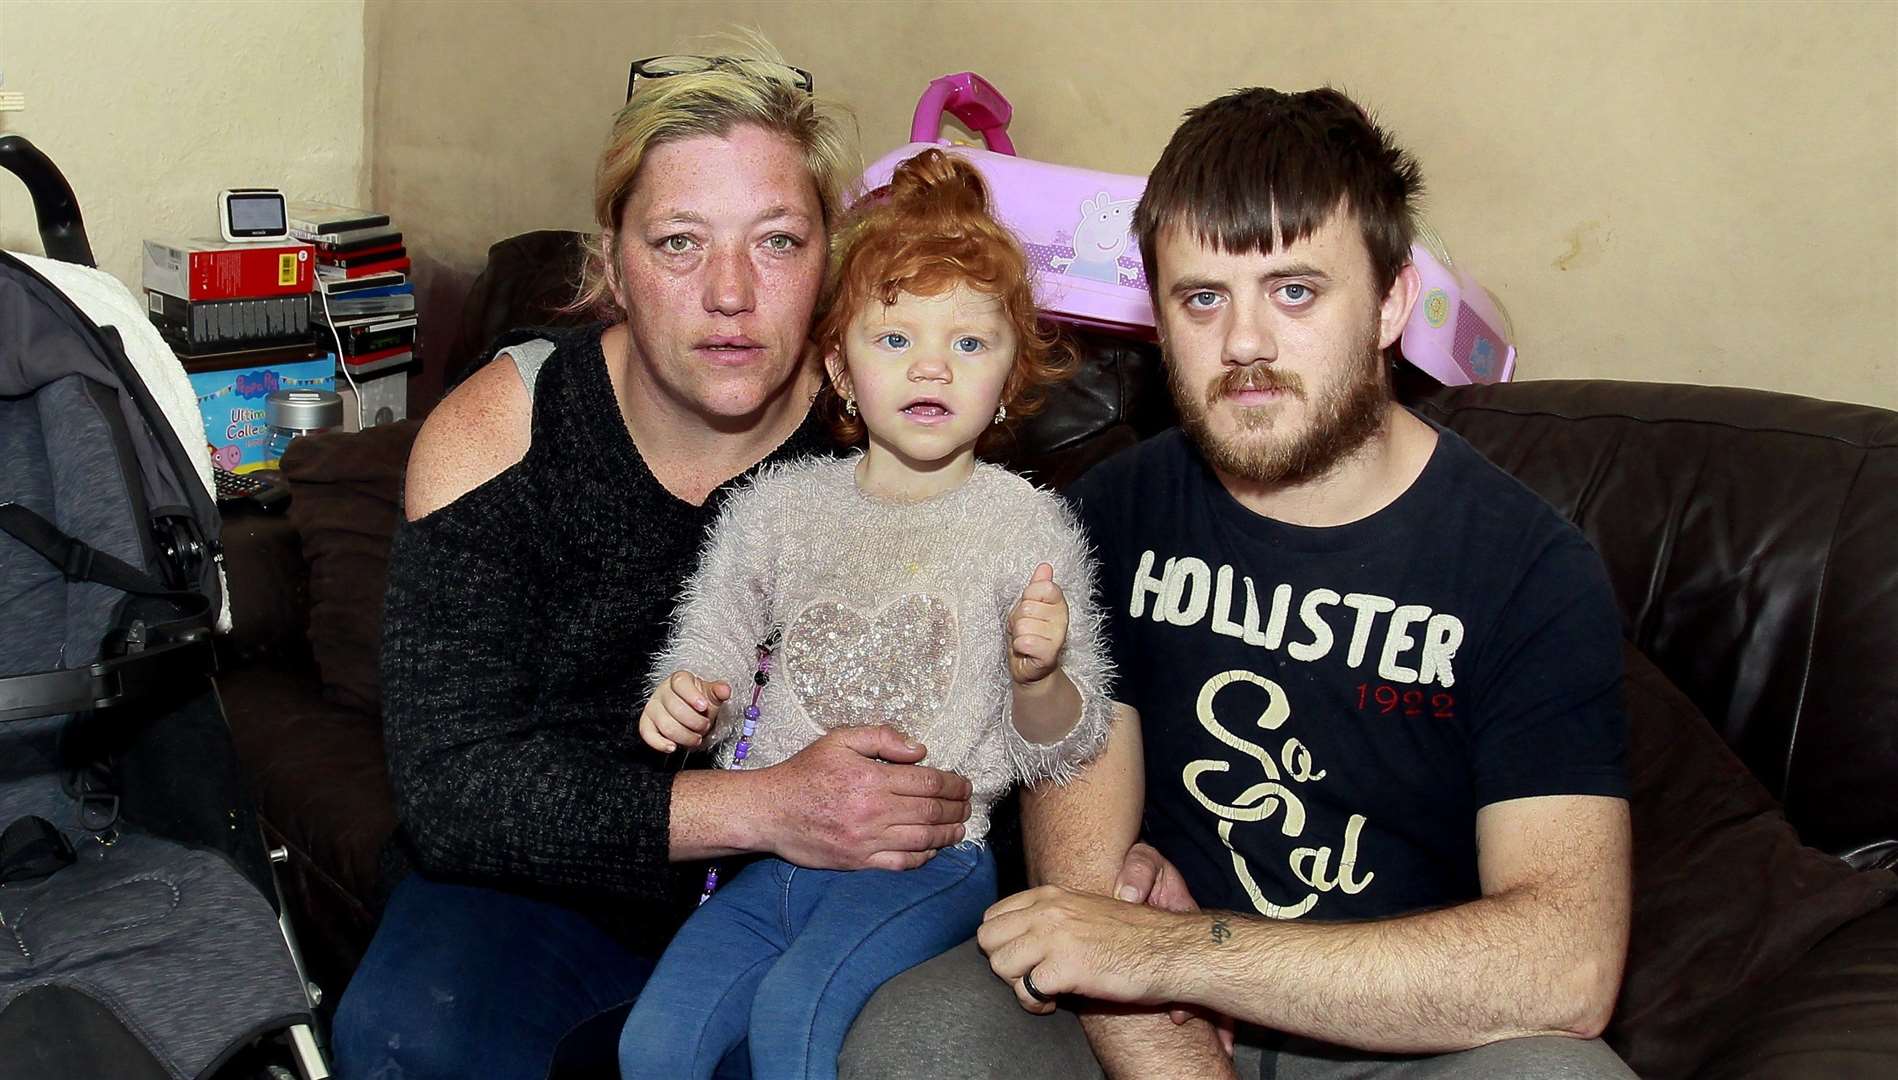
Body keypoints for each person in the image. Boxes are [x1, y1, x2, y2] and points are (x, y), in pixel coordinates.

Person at [844, 87, 1636, 1080]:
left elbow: (1564, 965)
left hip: (1393, 1026)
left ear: (1390, 302)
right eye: (1202, 298)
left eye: (1295, 292)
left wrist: (1183, 956)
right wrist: (1142, 994)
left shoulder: (1527, 571)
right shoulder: (1112, 515)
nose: (1245, 345)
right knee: (918, 1037)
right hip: (1140, 1012)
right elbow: (1084, 897)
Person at [330, 42, 979, 1079]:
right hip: (532, 886)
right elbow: (453, 791)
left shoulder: (892, 430)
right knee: (407, 1034)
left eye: (776, 241)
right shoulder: (504, 432)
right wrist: (765, 806)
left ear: (828, 262)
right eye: (679, 243)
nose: (730, 292)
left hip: (787, 899)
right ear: (611, 264)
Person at [615, 148, 1115, 1080]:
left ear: (1010, 376)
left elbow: (1061, 748)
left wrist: (1039, 678)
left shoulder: (1026, 524)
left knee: (798, 1020)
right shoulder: (778, 506)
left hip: (928, 862)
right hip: (776, 855)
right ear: (839, 365)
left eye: (969, 343)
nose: (933, 367)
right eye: (896, 340)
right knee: (654, 1042)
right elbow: (713, 645)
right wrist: (688, 702)